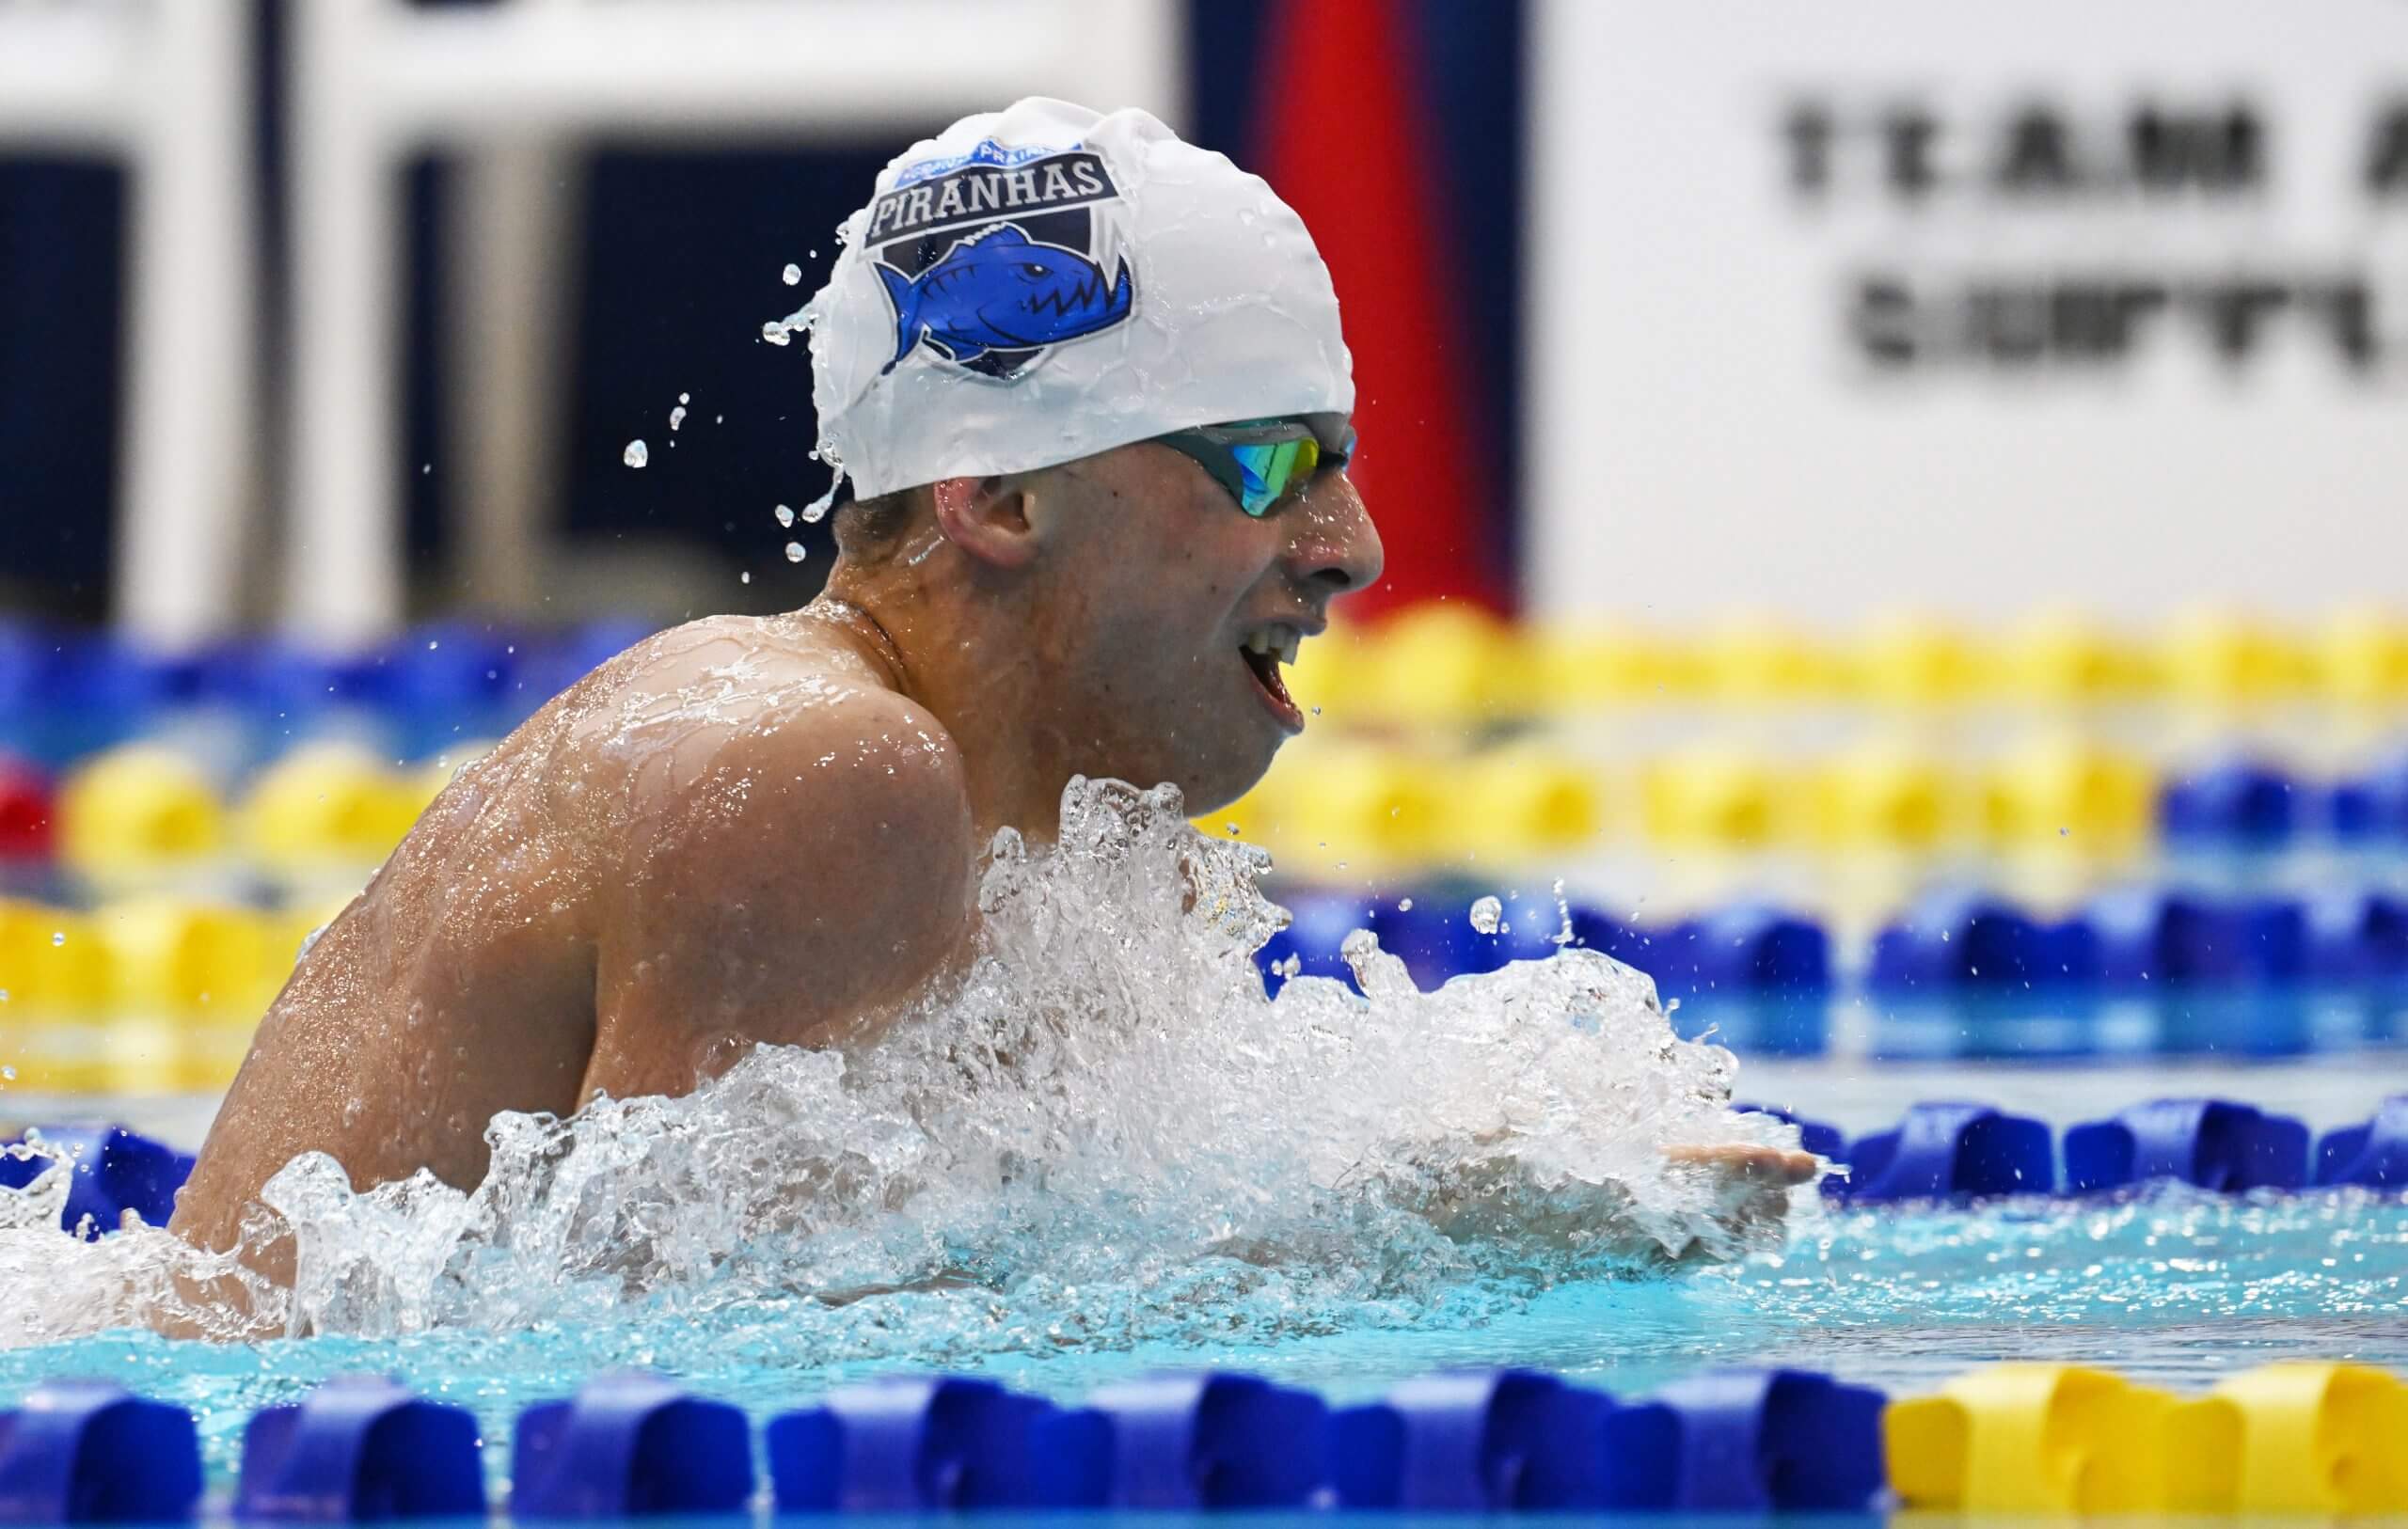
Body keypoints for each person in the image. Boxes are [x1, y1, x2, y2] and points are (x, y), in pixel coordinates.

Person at [168, 99, 1810, 1285]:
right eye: (1270, 464)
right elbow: (680, 1377)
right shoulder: (820, 766)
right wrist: (1449, 1240)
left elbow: (1021, 1240)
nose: (1355, 547)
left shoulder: (1057, 834)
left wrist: (1456, 1183)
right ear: (1002, 498)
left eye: (1343, 464)